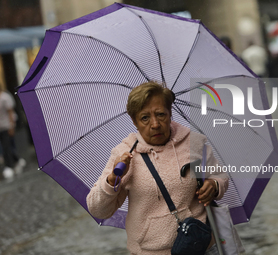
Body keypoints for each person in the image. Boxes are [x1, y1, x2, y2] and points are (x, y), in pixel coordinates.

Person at [87, 81, 228, 255]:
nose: (154, 124)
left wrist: (214, 185)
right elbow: (98, 210)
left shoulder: (195, 143)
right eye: (145, 118)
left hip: (200, 247)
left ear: (170, 114)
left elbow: (220, 176)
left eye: (160, 114)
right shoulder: (124, 154)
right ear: (134, 121)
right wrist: (112, 180)